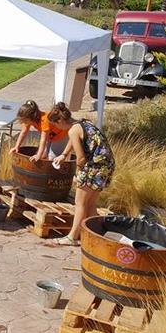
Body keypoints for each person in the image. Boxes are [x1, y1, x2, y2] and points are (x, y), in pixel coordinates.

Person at [49, 102, 115, 246]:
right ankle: (96, 236)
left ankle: (72, 237)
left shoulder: (72, 130)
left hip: (94, 168)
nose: (56, 128)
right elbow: (76, 140)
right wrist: (64, 154)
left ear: (59, 120)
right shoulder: (82, 123)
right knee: (90, 204)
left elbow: (81, 158)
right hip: (106, 166)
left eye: (55, 125)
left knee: (79, 203)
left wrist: (78, 174)